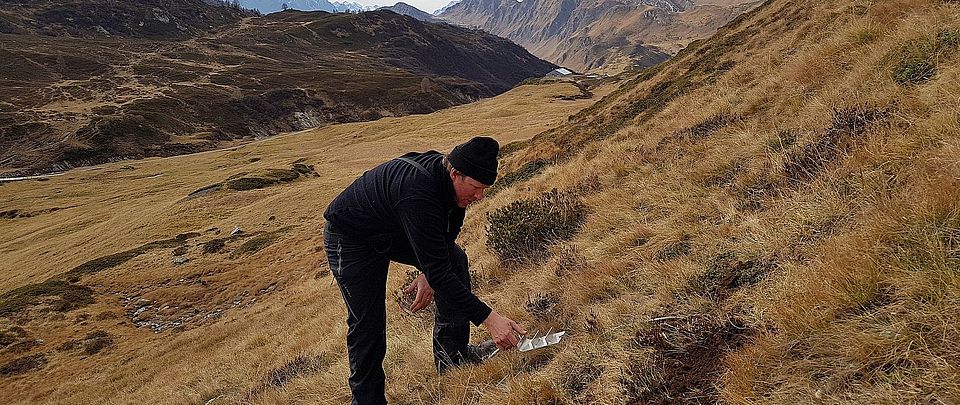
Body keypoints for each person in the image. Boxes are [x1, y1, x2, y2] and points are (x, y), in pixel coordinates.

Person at [323, 136, 526, 404]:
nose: (480, 196)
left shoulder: (452, 186)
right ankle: (367, 400)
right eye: (476, 187)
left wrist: (429, 269)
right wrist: (490, 319)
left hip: (391, 229)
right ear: (455, 173)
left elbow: (447, 236)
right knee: (367, 323)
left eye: (485, 189)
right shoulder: (418, 192)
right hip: (351, 238)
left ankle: (453, 358)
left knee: (454, 260)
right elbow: (440, 273)